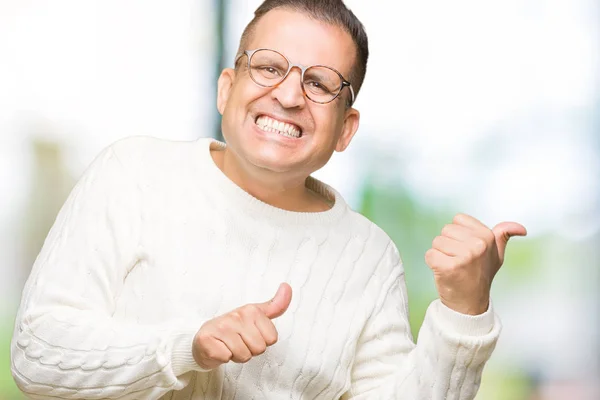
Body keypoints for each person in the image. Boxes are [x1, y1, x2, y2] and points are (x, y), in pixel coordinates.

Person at [10, 0, 527, 399]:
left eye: (321, 82)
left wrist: (464, 311)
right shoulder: (133, 174)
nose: (288, 95)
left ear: (345, 130)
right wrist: (188, 346)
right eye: (269, 67)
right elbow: (36, 354)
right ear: (226, 89)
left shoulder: (368, 258)